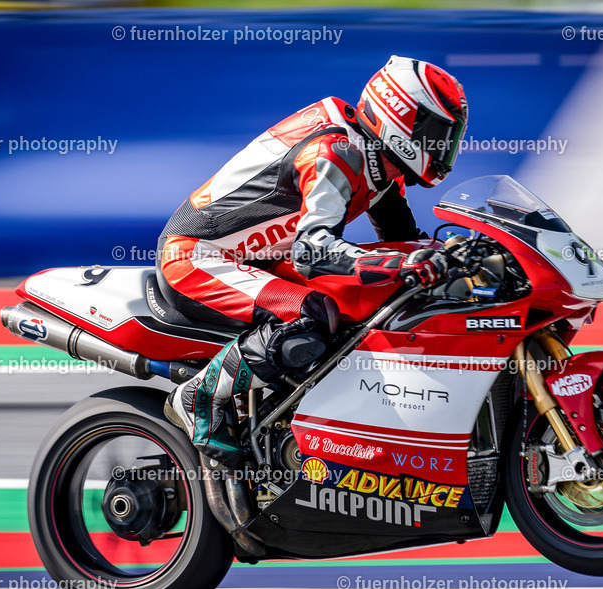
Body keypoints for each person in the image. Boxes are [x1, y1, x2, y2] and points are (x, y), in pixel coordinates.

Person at [161, 55, 468, 467]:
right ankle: (198, 395)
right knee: (310, 314)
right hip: (198, 257)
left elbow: (405, 243)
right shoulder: (336, 151)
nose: (442, 147)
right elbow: (312, 251)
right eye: (435, 133)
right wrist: (401, 265)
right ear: (401, 118)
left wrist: (459, 255)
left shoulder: (379, 164)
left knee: (369, 304)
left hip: (261, 260)